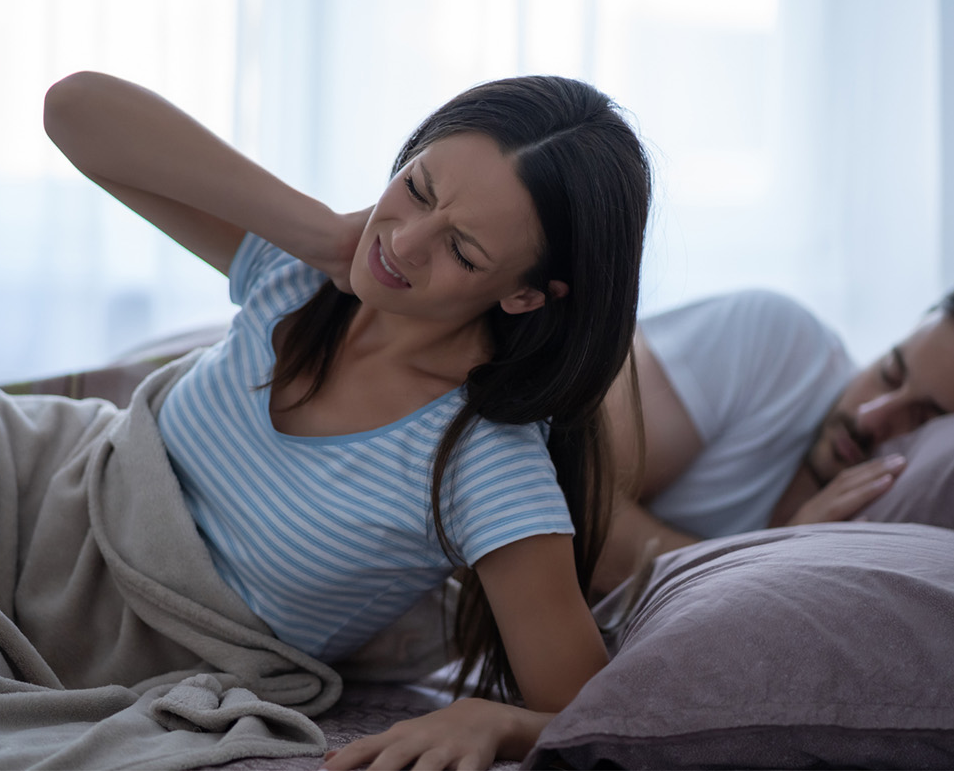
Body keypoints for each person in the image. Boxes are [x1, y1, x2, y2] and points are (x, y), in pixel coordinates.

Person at [44, 71, 651, 769]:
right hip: (34, 484)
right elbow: (73, 110)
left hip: (117, 631)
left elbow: (589, 709)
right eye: (418, 188)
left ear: (524, 295)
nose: (405, 241)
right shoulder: (300, 270)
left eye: (462, 249)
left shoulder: (482, 462)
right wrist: (325, 236)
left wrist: (494, 722)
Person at [594, 277, 954, 596]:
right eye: (891, 371)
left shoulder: (883, 537)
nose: (875, 415)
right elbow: (576, 499)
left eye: (922, 420)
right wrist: (768, 554)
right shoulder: (774, 341)